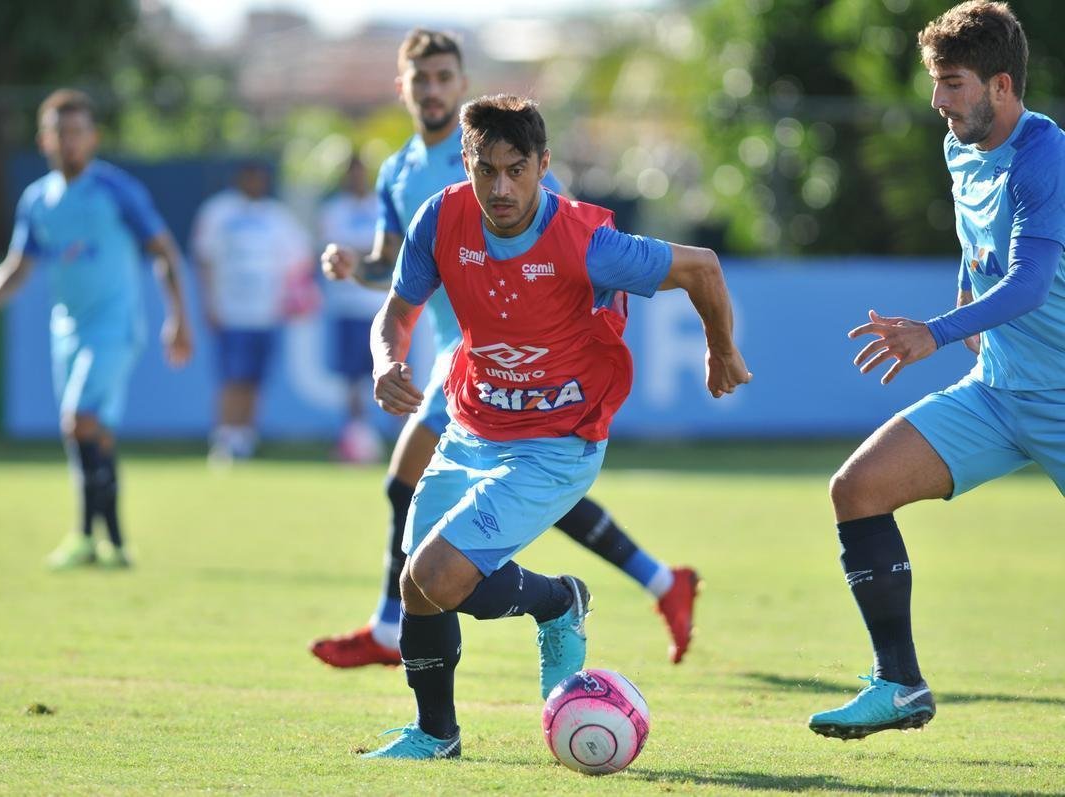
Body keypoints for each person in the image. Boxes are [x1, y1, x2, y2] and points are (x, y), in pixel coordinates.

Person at [360, 94, 751, 759]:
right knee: (416, 584)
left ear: (544, 164)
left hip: (556, 446)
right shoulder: (441, 218)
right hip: (471, 424)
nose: (501, 186)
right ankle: (437, 733)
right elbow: (395, 312)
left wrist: (722, 348)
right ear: (466, 163)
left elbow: (702, 267)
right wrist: (386, 360)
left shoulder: (584, 242)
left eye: (517, 169)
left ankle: (557, 601)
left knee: (438, 573)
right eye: (487, 170)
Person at [314, 28, 703, 672]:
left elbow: (556, 241)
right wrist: (358, 265)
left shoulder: (500, 159)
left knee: (442, 483)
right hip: (455, 348)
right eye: (422, 79)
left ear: (461, 86)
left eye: (444, 78)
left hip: (477, 352)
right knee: (499, 485)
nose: (433, 90)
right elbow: (398, 269)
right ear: (402, 87)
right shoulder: (399, 172)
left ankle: (395, 623)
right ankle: (659, 580)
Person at [809, 1, 1065, 740]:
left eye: (951, 83)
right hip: (998, 392)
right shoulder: (961, 145)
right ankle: (899, 684)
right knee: (857, 489)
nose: (936, 101)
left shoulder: (1044, 156)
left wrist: (939, 331)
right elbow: (977, 249)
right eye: (935, 82)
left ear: (1001, 85)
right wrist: (961, 304)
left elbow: (1029, 284)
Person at [0, 88, 193, 569]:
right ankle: (116, 544)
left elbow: (163, 251)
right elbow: (19, 265)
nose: (70, 142)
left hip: (114, 327)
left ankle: (83, 535)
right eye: (60, 133)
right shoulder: (38, 200)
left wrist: (179, 317)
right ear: (44, 140)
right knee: (94, 432)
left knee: (76, 419)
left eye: (78, 132)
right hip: (67, 330)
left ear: (93, 137)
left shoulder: (116, 191)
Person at [191, 161, 315, 462]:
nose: (255, 184)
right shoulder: (218, 212)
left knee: (255, 378)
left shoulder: (275, 217)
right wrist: (209, 302)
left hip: (265, 313)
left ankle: (245, 438)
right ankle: (224, 437)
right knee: (232, 377)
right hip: (231, 311)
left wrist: (295, 294)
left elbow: (301, 255)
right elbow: (204, 258)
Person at [319, 154, 386, 463]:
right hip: (347, 306)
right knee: (352, 381)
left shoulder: (382, 207)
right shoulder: (333, 210)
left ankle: (405, 439)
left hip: (380, 306)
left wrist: (357, 254)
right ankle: (355, 438)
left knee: (389, 373)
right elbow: (333, 253)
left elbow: (385, 251)